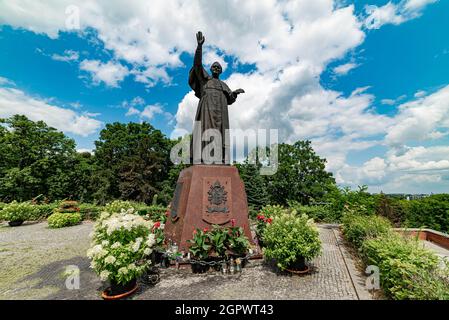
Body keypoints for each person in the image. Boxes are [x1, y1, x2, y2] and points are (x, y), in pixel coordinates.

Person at [189, 31, 245, 164]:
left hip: (221, 116)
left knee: (220, 136)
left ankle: (219, 159)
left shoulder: (223, 85)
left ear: (220, 71)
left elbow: (230, 99)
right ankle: (202, 158)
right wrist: (199, 47)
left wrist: (235, 93)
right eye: (213, 66)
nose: (215, 68)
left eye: (218, 67)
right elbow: (197, 64)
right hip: (206, 113)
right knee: (205, 133)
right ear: (210, 69)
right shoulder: (205, 80)